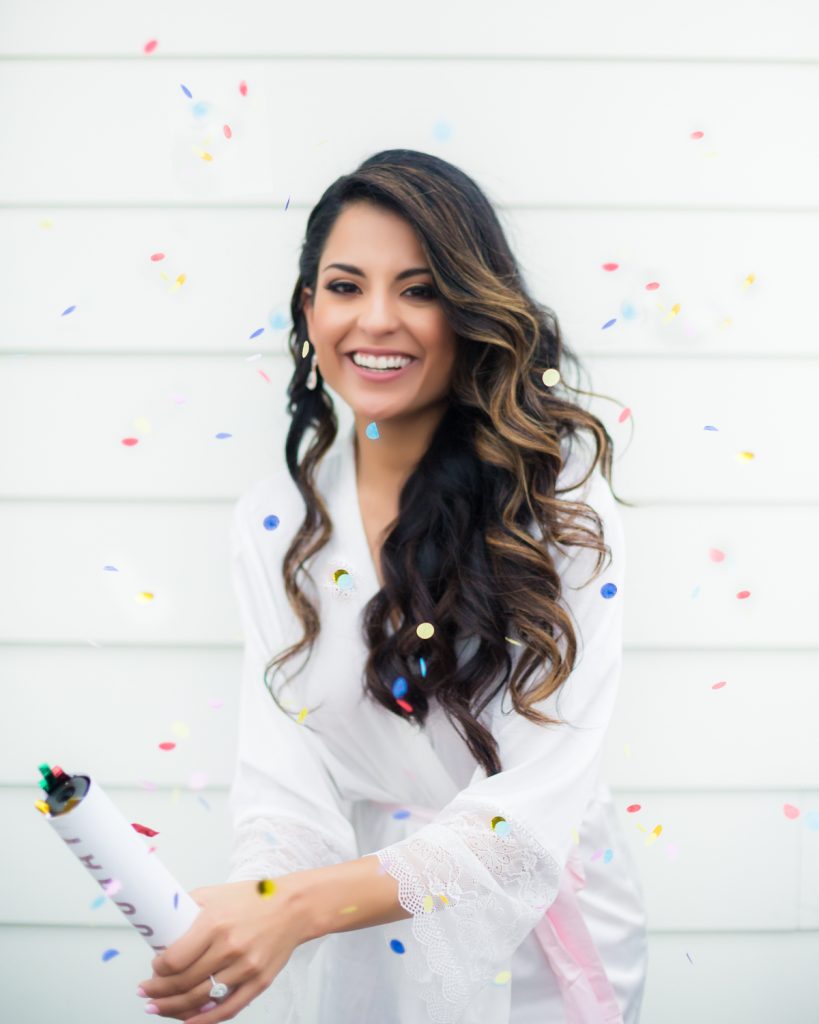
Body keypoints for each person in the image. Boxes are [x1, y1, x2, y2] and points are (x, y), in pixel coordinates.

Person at [137, 149, 648, 1024]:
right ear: (308, 309)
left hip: (540, 941)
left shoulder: (558, 506)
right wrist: (246, 916)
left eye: (418, 289)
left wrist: (293, 908)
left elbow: (524, 825)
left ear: (472, 309)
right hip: (359, 942)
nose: (376, 321)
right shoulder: (275, 528)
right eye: (344, 286)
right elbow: (283, 791)